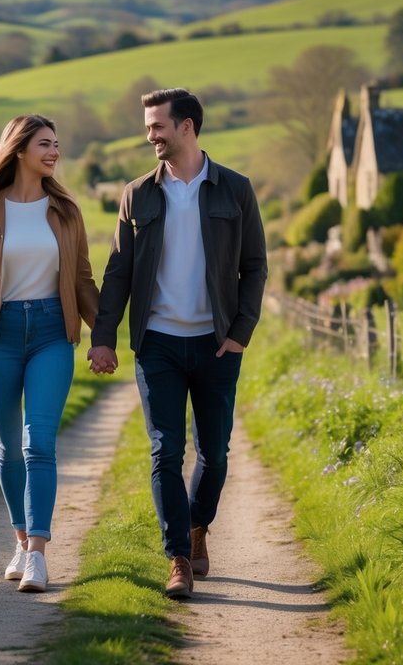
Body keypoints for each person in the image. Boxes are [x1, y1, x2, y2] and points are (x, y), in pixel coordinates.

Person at [87, 88, 267, 599]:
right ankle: (178, 559)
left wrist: (240, 334)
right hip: (158, 343)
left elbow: (254, 266)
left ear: (187, 126)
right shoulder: (137, 193)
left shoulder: (235, 190)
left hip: (216, 344)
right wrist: (104, 338)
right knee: (166, 450)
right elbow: (117, 273)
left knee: (214, 452)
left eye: (157, 126)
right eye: (148, 126)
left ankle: (197, 526)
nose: (150, 135)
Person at [0, 114, 99, 593]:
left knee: (39, 443)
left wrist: (105, 335)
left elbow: (82, 281)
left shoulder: (66, 210)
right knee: (8, 447)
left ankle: (37, 553)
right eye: (45, 144)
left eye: (57, 144)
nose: (54, 152)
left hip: (53, 333)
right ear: (18, 150)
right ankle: (19, 539)